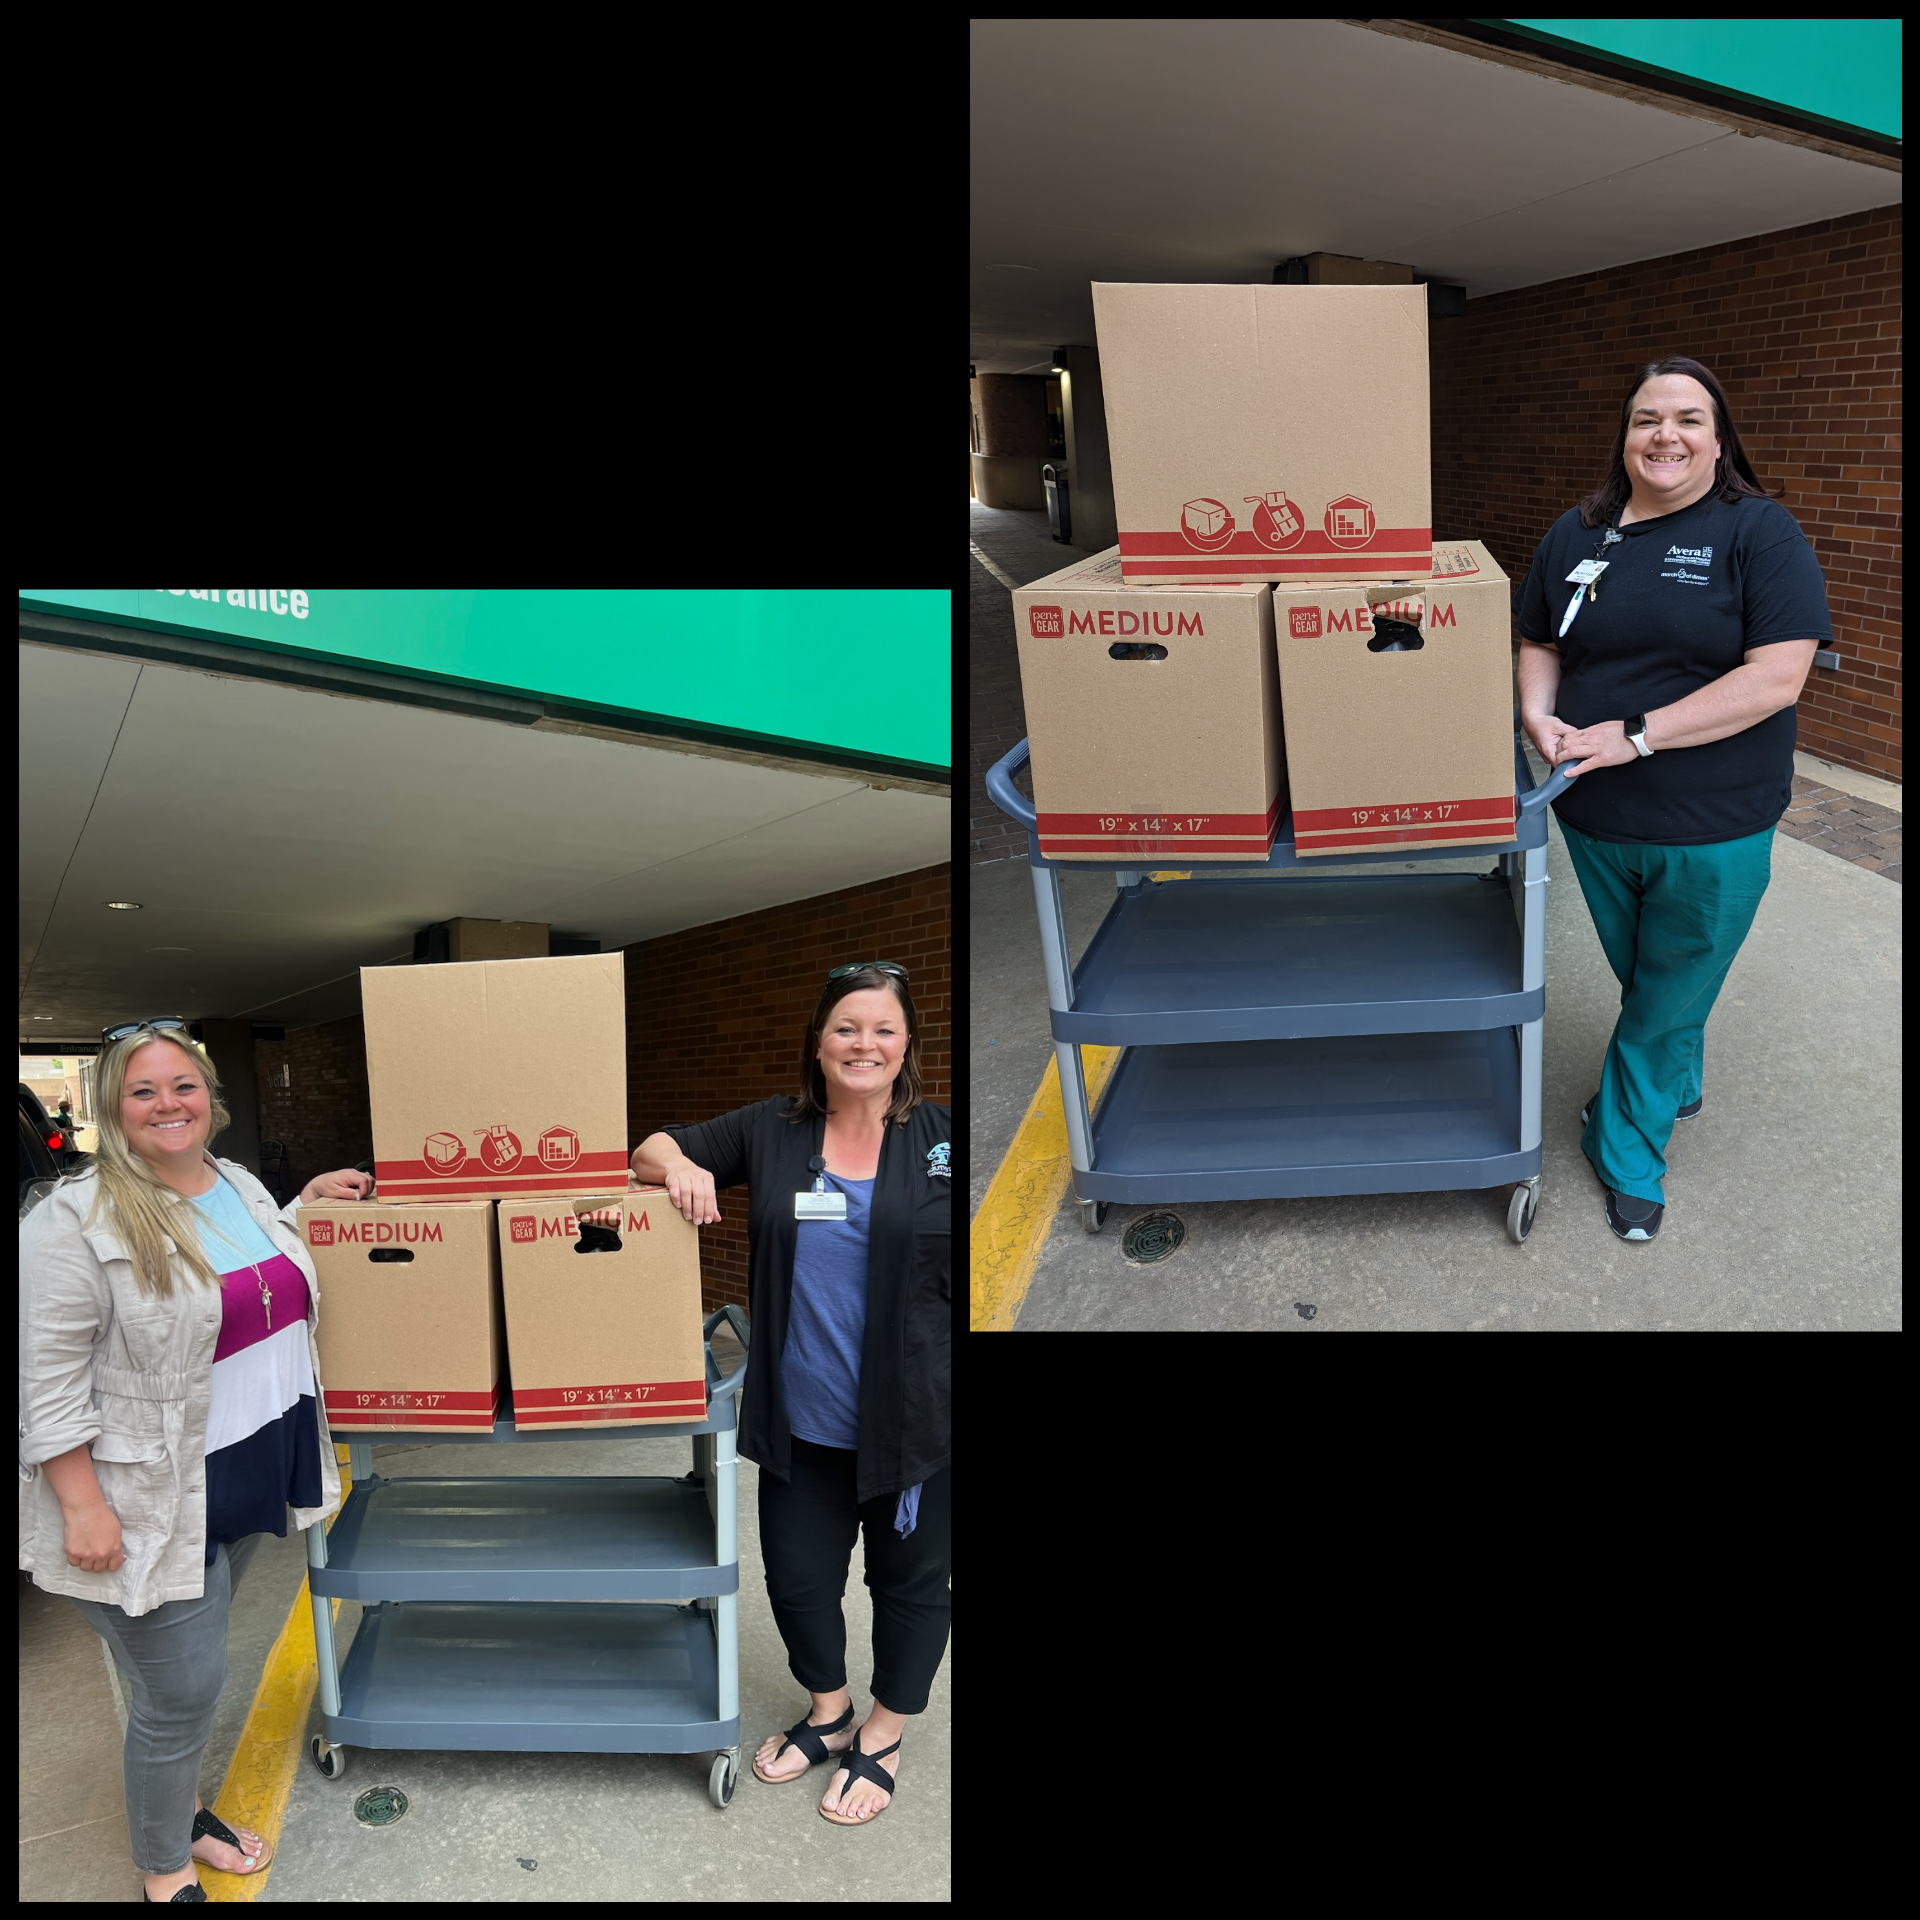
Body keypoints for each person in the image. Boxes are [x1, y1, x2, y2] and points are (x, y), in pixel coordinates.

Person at [18, 1020, 372, 1902]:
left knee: (182, 1679)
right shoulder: (71, 1221)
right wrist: (82, 1504)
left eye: (183, 1086)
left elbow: (241, 1282)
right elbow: (42, 1380)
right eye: (143, 1091)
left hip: (245, 1466)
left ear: (211, 1099)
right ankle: (164, 1864)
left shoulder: (239, 1184)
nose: (167, 1104)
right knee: (182, 1695)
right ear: (111, 1107)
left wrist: (300, 1210)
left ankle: (179, 1810)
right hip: (142, 1495)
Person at [1515, 357, 1832, 1243]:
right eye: (1647, 418)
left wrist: (1637, 734)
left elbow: (1777, 676)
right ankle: (1676, 1075)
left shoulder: (1758, 533)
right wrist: (1537, 715)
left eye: (1688, 419)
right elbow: (1538, 636)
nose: (1666, 435)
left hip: (1714, 822)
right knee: (1652, 979)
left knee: (1664, 995)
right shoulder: (1576, 533)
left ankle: (1624, 1150)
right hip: (1594, 813)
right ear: (1624, 437)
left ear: (1718, 439)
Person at [629, 963, 950, 1826]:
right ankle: (830, 1714)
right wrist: (682, 1171)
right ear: (818, 1041)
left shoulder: (947, 1142)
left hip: (916, 1427)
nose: (864, 1045)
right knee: (801, 1583)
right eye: (846, 1027)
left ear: (906, 1042)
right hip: (799, 1424)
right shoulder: (773, 1131)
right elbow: (650, 1145)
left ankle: (882, 1735)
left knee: (909, 1583)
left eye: (882, 1029)